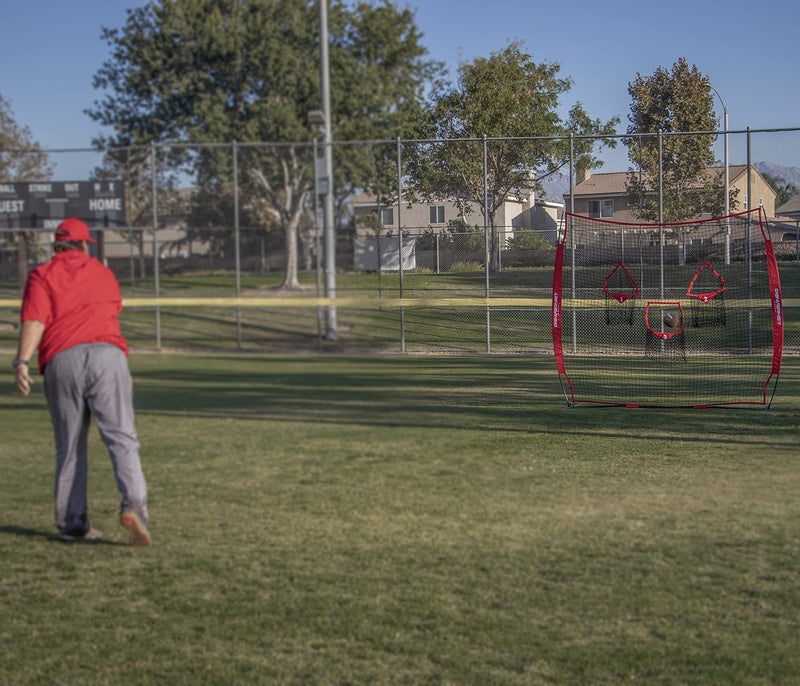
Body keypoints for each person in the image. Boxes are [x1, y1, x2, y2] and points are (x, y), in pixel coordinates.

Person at [14, 217, 150, 546]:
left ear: (56, 245)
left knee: (70, 447)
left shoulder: (42, 274)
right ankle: (134, 507)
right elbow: (112, 309)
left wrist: (22, 361)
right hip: (107, 356)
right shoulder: (103, 272)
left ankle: (73, 525)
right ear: (85, 244)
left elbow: (35, 319)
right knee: (122, 438)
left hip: (62, 359)